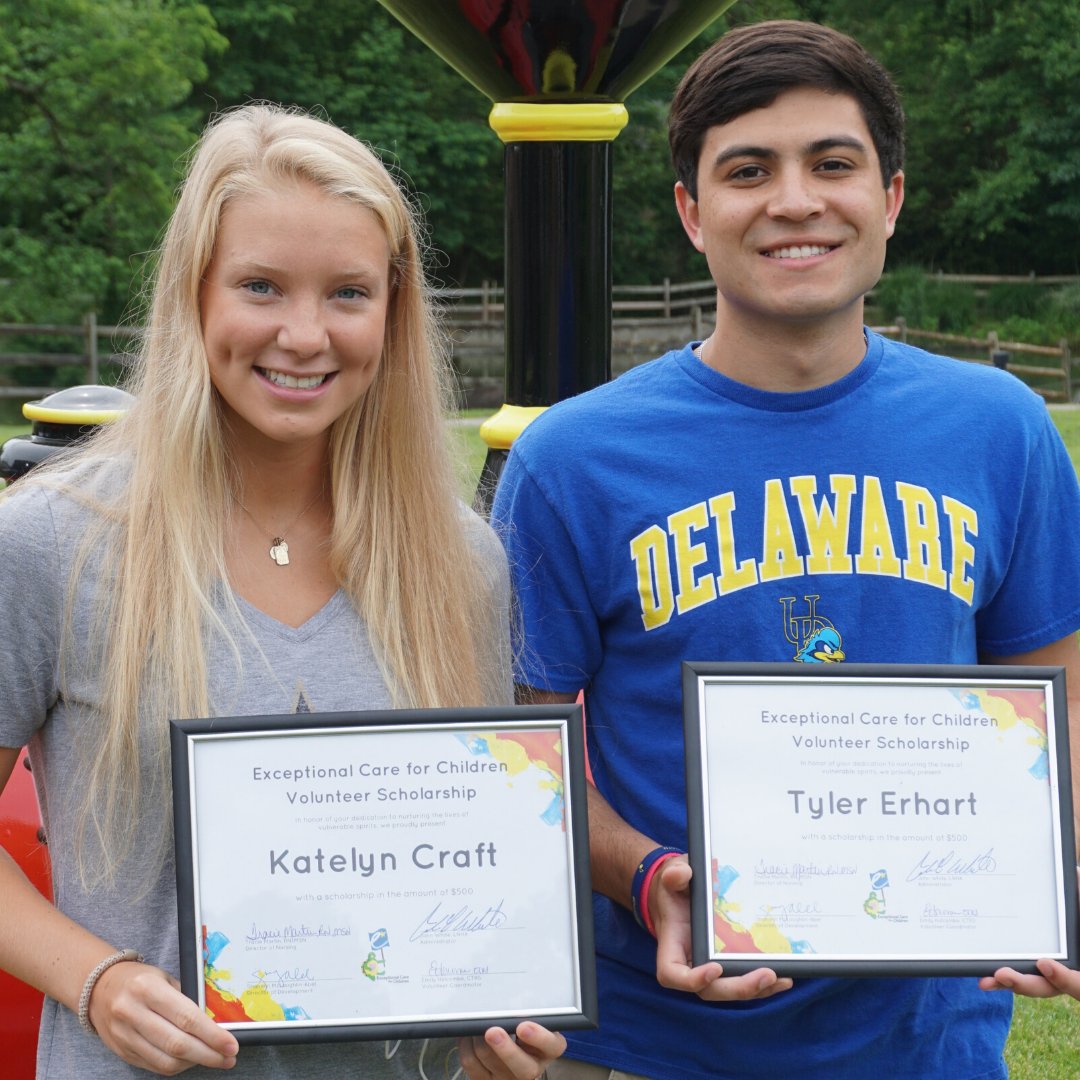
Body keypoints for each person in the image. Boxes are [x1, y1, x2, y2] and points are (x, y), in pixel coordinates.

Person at [491, 19, 1080, 1080]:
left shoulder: (1001, 429)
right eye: (749, 170)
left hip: (925, 1043)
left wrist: (1052, 862)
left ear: (890, 200)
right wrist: (647, 872)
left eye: (834, 163)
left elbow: (1059, 690)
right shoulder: (570, 459)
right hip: (649, 1044)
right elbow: (524, 763)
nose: (795, 200)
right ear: (691, 211)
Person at [0, 104, 566, 1078]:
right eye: (261, 286)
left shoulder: (461, 561)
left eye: (347, 293)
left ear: (392, 311)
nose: (304, 335)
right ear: (195, 295)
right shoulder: (57, 542)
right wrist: (94, 978)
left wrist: (494, 1035)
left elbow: (464, 874)